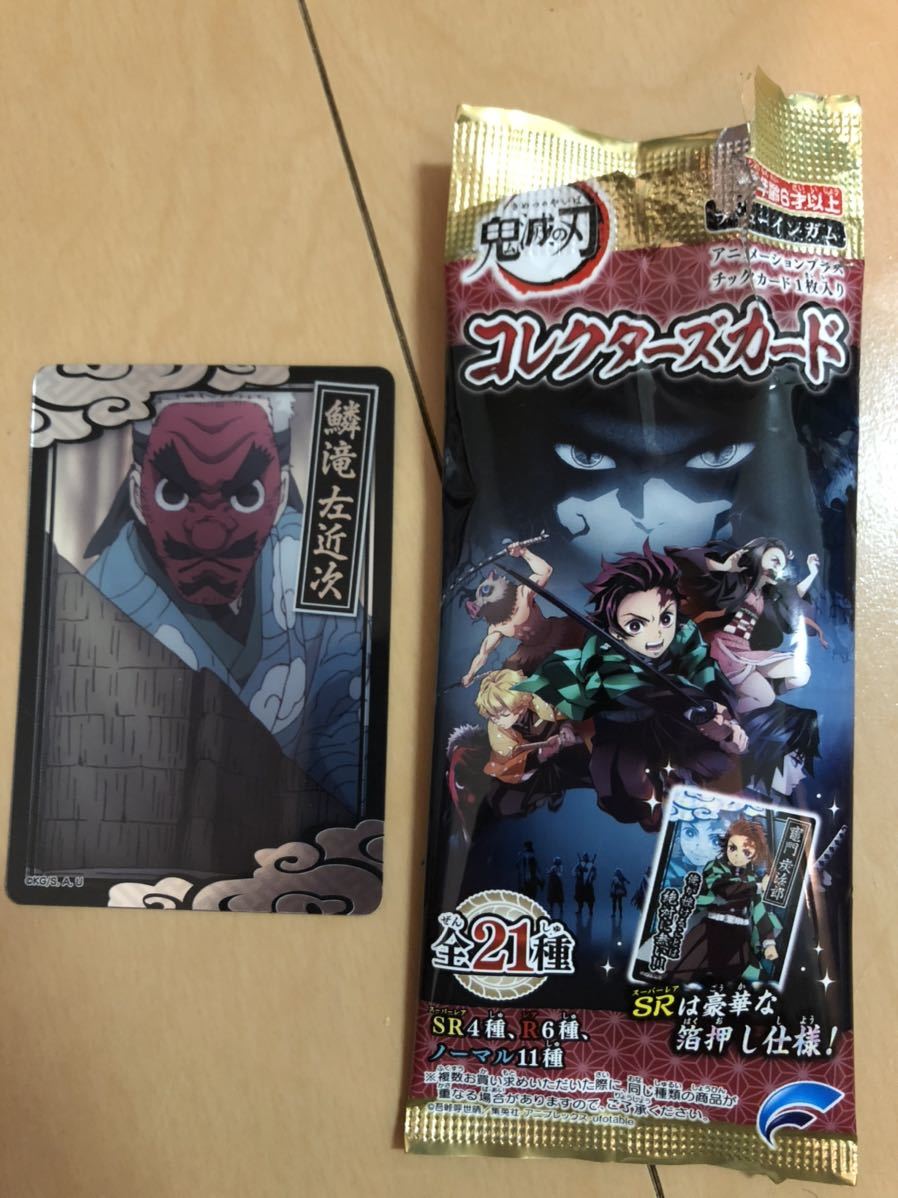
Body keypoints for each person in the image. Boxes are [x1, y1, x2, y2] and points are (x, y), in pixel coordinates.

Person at [84, 391, 362, 806]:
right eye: (174, 494)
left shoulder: (313, 559)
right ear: (140, 495)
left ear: (281, 492)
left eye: (246, 495)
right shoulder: (97, 605)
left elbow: (349, 704)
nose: (209, 535)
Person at [517, 543, 747, 830]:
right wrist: (701, 709)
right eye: (636, 626)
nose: (656, 636)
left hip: (670, 723)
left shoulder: (683, 633)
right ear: (614, 628)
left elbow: (706, 672)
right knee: (621, 793)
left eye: (665, 618)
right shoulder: (602, 651)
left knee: (716, 763)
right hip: (622, 730)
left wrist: (728, 723)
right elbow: (645, 689)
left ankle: (685, 796)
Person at [672, 538, 826, 714]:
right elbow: (689, 561)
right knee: (765, 698)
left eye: (781, 566)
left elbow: (793, 595)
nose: (777, 569)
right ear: (758, 555)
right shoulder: (736, 580)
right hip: (724, 649)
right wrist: (723, 567)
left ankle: (729, 707)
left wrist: (812, 574)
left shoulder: (765, 595)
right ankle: (717, 713)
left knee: (801, 673)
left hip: (746, 652)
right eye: (775, 560)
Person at [667, 819, 781, 983]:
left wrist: (768, 942)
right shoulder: (715, 868)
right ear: (726, 845)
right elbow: (725, 890)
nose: (737, 855)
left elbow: (759, 911)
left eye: (746, 852)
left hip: (737, 936)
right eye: (732, 848)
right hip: (711, 931)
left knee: (752, 980)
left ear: (755, 855)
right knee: (682, 974)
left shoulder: (751, 878)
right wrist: (757, 886)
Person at [460, 542, 584, 686]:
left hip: (559, 634)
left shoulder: (523, 593)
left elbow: (545, 571)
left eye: (486, 590)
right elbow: (483, 654)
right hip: (533, 656)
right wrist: (470, 674)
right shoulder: (497, 628)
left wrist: (523, 552)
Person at [573, 853, 597, 917]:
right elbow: (574, 872)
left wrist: (592, 877)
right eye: (584, 857)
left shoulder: (591, 865)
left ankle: (590, 910)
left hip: (588, 884)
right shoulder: (579, 864)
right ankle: (579, 909)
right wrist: (578, 872)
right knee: (579, 898)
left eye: (586, 857)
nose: (585, 858)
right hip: (580, 884)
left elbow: (594, 873)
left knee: (590, 899)